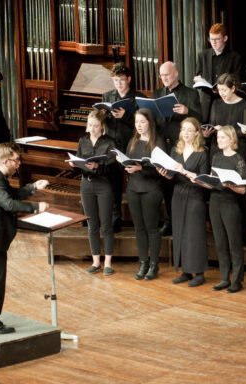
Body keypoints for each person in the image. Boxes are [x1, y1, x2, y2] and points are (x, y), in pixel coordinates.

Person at [0, 142, 49, 334]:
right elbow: (9, 204)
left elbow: (11, 194)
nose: (19, 163)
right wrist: (36, 208)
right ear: (6, 161)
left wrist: (32, 188)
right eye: (16, 160)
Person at [158, 118, 209, 287]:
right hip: (178, 194)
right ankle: (186, 271)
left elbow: (203, 180)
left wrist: (185, 171)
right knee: (180, 232)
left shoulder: (202, 152)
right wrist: (166, 174)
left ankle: (199, 273)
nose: (185, 133)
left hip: (195, 196)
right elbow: (172, 175)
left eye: (189, 130)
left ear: (197, 132)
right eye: (183, 130)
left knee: (194, 235)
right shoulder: (175, 149)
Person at [152, 61, 201, 237]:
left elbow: (200, 119)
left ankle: (184, 221)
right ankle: (169, 221)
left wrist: (187, 111)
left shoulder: (190, 93)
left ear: (176, 73)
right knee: (165, 184)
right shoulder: (157, 93)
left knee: (181, 184)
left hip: (182, 145)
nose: (164, 78)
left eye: (167, 74)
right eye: (162, 75)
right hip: (163, 145)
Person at [121, 109, 165, 280]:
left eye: (142, 122)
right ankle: (143, 262)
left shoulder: (157, 142)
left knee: (151, 228)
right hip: (133, 188)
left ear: (150, 123)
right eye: (137, 122)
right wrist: (123, 163)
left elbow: (162, 170)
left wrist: (141, 168)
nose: (139, 125)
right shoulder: (133, 141)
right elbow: (128, 162)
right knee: (138, 228)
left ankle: (154, 265)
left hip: (151, 189)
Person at [70, 110, 116, 276]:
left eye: (96, 126)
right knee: (92, 224)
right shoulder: (83, 141)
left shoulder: (110, 142)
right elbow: (79, 159)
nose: (93, 129)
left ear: (102, 126)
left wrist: (98, 167)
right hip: (86, 185)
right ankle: (96, 261)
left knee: (106, 225)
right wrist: (75, 165)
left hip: (103, 185)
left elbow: (112, 167)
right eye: (90, 125)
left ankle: (108, 263)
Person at [102, 63, 146, 233]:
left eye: (121, 80)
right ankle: (115, 219)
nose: (119, 84)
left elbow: (143, 125)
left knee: (135, 183)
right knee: (113, 184)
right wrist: (104, 114)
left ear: (128, 79)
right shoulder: (107, 96)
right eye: (115, 80)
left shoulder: (138, 98)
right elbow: (102, 120)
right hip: (112, 146)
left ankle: (139, 221)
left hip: (131, 145)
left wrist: (126, 116)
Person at [207, 125, 246, 293]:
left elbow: (244, 189)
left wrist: (231, 186)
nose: (219, 140)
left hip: (231, 204)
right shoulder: (216, 157)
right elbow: (212, 179)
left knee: (234, 243)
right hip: (215, 202)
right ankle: (225, 278)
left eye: (223, 137)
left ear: (232, 139)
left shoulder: (238, 160)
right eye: (218, 137)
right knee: (220, 242)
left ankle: (237, 280)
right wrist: (202, 180)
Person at [194, 23, 243, 122]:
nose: (214, 42)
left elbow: (237, 81)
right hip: (206, 103)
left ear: (225, 38)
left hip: (225, 101)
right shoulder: (202, 55)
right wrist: (197, 80)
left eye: (217, 39)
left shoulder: (235, 57)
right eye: (211, 39)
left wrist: (222, 87)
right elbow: (197, 75)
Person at [206, 73, 246, 162]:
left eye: (224, 90)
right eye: (219, 90)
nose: (221, 93)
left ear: (232, 88)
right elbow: (212, 125)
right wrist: (208, 132)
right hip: (217, 148)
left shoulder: (245, 105)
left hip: (236, 149)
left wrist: (223, 130)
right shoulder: (216, 103)